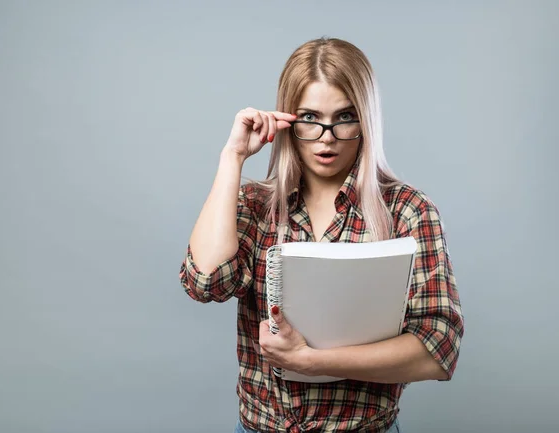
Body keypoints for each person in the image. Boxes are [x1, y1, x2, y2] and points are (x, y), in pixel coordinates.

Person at [180, 37, 464, 433]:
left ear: (365, 120)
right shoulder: (255, 205)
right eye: (310, 118)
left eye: (344, 117)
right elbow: (205, 281)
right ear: (288, 121)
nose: (327, 137)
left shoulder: (407, 210)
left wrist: (310, 361)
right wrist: (233, 157)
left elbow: (438, 350)